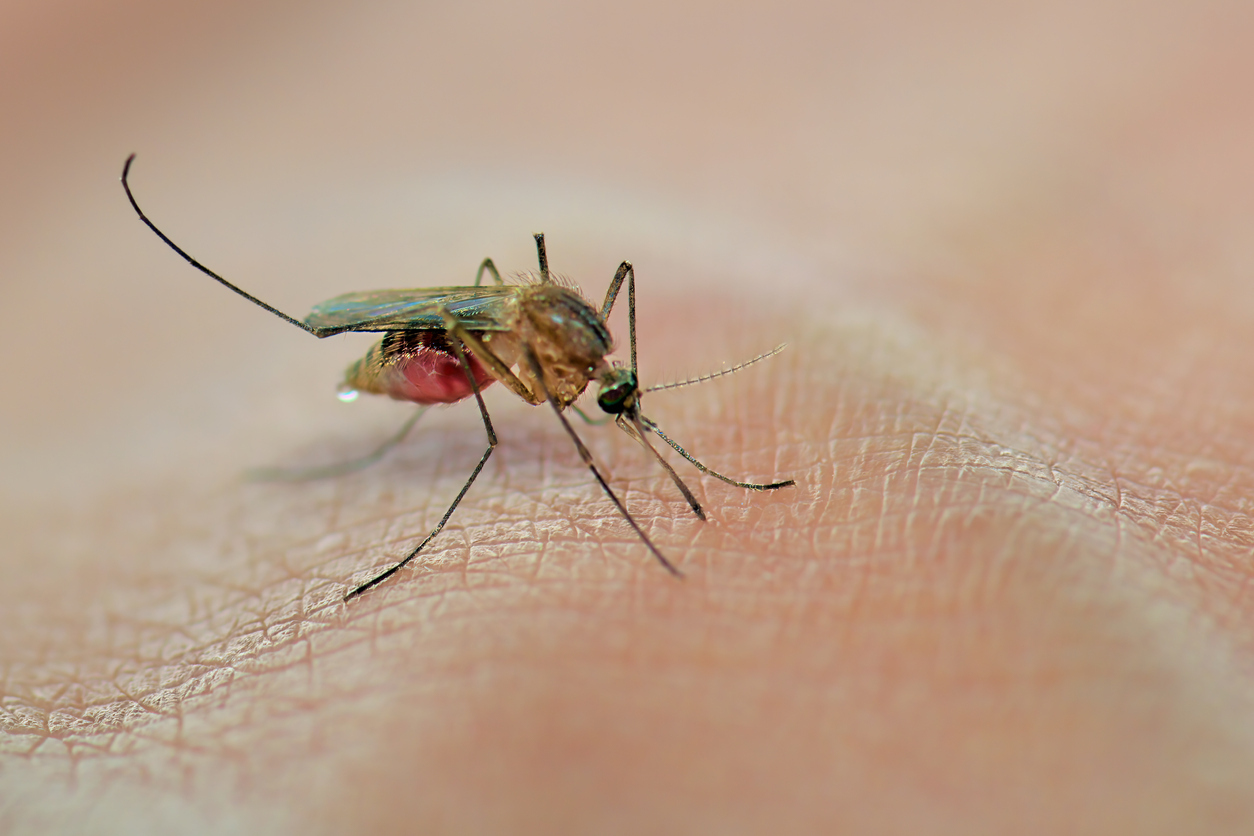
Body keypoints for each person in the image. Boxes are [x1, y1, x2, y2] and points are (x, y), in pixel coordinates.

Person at [3, 1, 1253, 832]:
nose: (615, 392)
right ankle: (406, 476)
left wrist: (647, 429)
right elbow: (551, 353)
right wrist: (511, 389)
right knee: (472, 391)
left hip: (503, 332)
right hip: (455, 347)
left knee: (543, 319)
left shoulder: (598, 348)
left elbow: (606, 355)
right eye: (617, 392)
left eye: (617, 393)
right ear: (592, 365)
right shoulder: (553, 351)